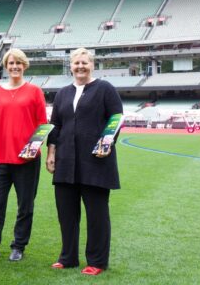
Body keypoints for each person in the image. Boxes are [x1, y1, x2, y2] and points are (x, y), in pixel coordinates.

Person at [46, 47, 123, 276]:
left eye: (84, 63)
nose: (80, 66)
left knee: (97, 215)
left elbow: (116, 118)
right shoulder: (62, 93)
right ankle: (67, 257)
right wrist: (51, 153)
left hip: (96, 162)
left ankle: (97, 261)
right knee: (66, 214)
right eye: (76, 63)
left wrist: (106, 144)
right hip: (66, 162)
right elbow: (56, 125)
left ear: (92, 64)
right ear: (70, 66)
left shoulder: (105, 88)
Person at [0, 49, 47, 262]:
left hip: (27, 159)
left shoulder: (35, 91)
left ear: (24, 65)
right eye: (10, 63)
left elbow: (42, 124)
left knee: (25, 205)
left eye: (18, 63)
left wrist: (34, 147)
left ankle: (18, 246)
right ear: (6, 66)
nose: (14, 66)